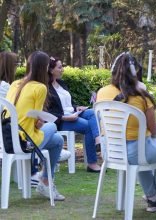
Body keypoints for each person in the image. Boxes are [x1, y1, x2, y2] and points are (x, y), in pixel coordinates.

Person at [96, 52, 156, 212]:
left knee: (142, 152)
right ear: (136, 73)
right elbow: (154, 130)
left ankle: (152, 198)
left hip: (110, 151)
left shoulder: (102, 92)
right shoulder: (141, 97)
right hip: (135, 152)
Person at [5, 51, 65, 200]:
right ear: (44, 68)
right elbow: (37, 124)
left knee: (58, 140)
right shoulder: (40, 88)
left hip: (8, 139)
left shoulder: (14, 84)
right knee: (52, 127)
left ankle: (45, 181)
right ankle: (44, 181)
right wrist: (42, 122)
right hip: (25, 142)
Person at [46, 57, 101, 172]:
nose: (63, 70)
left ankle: (98, 139)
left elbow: (67, 103)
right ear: (51, 70)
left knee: (92, 112)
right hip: (62, 120)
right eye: (60, 67)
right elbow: (47, 111)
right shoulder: (45, 88)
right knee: (88, 126)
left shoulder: (61, 83)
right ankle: (92, 163)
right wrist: (65, 117)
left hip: (73, 113)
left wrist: (77, 107)